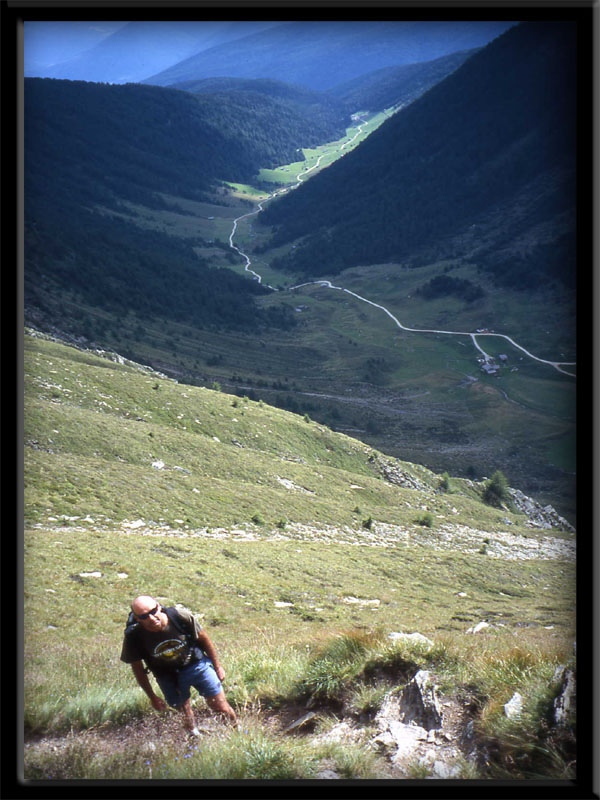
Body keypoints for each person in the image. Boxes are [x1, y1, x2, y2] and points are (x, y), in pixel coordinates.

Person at [120, 595, 237, 735]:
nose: (151, 618)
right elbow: (138, 669)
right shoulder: (134, 636)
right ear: (137, 618)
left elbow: (204, 640)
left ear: (159, 607)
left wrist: (217, 666)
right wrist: (152, 697)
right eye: (144, 616)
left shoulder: (180, 617)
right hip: (166, 675)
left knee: (220, 706)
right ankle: (194, 738)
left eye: (152, 612)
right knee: (184, 712)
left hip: (196, 664)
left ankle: (237, 731)